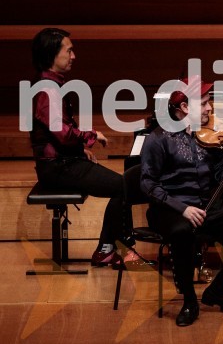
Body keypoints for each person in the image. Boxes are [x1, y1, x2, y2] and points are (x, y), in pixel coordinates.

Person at [140, 75, 223, 326]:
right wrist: (183, 208)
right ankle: (189, 300)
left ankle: (218, 289)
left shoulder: (210, 137)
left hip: (205, 206)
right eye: (203, 103)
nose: (209, 108)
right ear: (184, 108)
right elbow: (148, 184)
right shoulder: (158, 139)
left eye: (208, 102)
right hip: (168, 208)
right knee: (182, 231)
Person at [29, 27, 143, 267]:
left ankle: (110, 248)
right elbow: (63, 134)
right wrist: (90, 136)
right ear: (52, 54)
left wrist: (80, 150)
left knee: (121, 186)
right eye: (69, 50)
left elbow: (56, 134)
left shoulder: (51, 86)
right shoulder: (47, 90)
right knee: (122, 187)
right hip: (57, 168)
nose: (74, 56)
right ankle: (109, 249)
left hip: (62, 163)